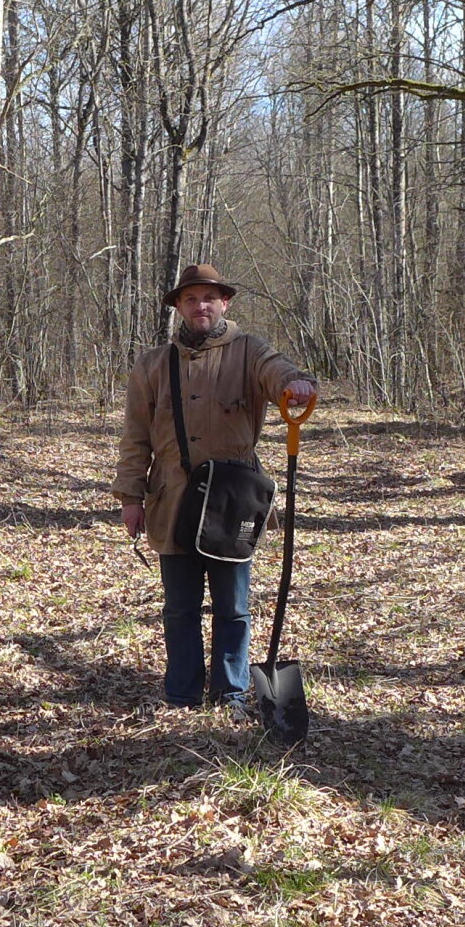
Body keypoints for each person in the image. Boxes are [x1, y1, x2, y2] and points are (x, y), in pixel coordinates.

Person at [112, 264, 320, 709]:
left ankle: (231, 693)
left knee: (233, 607)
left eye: (208, 297)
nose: (200, 306)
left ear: (224, 302)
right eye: (190, 299)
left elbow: (277, 370)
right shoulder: (152, 364)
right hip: (172, 498)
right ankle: (182, 694)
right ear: (178, 308)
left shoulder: (248, 351)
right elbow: (135, 437)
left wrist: (295, 384)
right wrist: (131, 497)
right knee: (180, 608)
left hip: (233, 502)